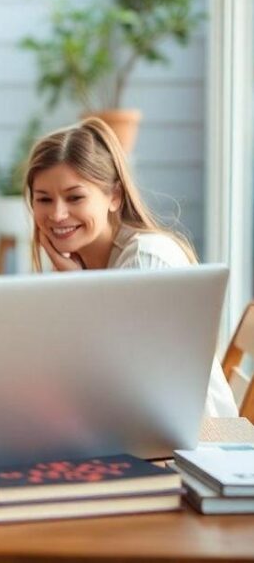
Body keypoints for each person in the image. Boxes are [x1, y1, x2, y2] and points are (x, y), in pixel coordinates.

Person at [25, 117, 236, 417]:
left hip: (194, 445)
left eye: (75, 197)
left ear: (114, 196)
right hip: (143, 431)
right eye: (44, 199)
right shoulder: (87, 266)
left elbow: (128, 388)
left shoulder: (146, 260)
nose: (57, 214)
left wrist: (82, 294)